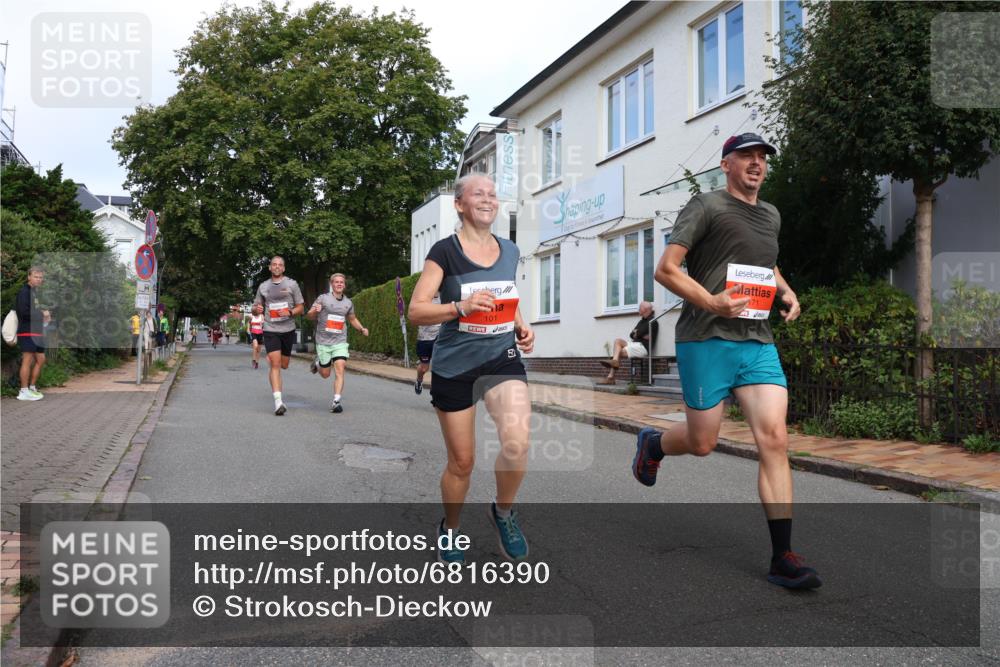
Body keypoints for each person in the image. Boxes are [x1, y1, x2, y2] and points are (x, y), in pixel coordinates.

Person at [631, 132, 818, 589]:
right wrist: (712, 302)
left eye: (762, 158)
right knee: (702, 442)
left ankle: (782, 557)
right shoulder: (706, 205)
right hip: (706, 336)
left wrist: (786, 290)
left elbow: (765, 265)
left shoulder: (770, 214)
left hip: (756, 340)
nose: (757, 164)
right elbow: (667, 269)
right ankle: (654, 445)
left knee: (774, 439)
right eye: (746, 156)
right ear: (726, 163)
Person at [408, 174, 535, 564]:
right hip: (455, 365)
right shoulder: (444, 252)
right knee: (462, 462)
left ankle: (503, 512)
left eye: (493, 194)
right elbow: (416, 310)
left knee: (517, 442)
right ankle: (451, 527)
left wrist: (520, 324)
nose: (487, 199)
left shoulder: (510, 250)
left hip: (500, 357)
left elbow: (505, 298)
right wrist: (458, 307)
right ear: (460, 205)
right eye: (477, 193)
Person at [306, 273, 369, 413]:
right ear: (332, 284)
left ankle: (336, 401)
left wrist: (361, 328)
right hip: (323, 341)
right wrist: (315, 312)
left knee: (340, 368)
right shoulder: (323, 299)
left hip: (340, 341)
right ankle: (318, 363)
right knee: (325, 374)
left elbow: (352, 319)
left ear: (344, 285)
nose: (339, 284)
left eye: (341, 282)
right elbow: (309, 315)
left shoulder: (348, 303)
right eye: (336, 282)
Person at [251, 256, 304, 416]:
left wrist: (290, 312)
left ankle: (277, 362)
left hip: (288, 329)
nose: (277, 267)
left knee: (284, 364)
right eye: (274, 264)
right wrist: (256, 310)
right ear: (269, 267)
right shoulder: (263, 286)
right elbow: (255, 307)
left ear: (284, 268)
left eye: (280, 265)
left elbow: (301, 306)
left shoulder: (291, 284)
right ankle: (278, 402)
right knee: (275, 364)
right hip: (270, 328)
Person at [598, 301, 656, 385]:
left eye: (639, 308)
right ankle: (614, 364)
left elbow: (638, 333)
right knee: (618, 341)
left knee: (618, 353)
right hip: (635, 344)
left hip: (643, 348)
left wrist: (637, 334)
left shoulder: (653, 322)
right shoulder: (641, 322)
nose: (638, 309)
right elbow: (631, 334)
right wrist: (639, 334)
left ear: (644, 309)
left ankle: (610, 377)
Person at [15, 267, 50, 401]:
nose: (39, 279)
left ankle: (32, 387)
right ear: (29, 277)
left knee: (41, 359)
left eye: (41, 277)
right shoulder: (24, 292)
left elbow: (34, 310)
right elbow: (23, 313)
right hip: (27, 331)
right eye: (36, 276)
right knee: (27, 360)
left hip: (36, 332)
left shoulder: (34, 292)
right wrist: (42, 314)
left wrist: (44, 314)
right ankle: (23, 391)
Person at [414, 293, 442, 395]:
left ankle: (436, 391)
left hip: (440, 337)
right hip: (424, 339)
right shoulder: (423, 300)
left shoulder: (444, 297)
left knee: (439, 366)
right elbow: (414, 317)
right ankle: (419, 380)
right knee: (424, 368)